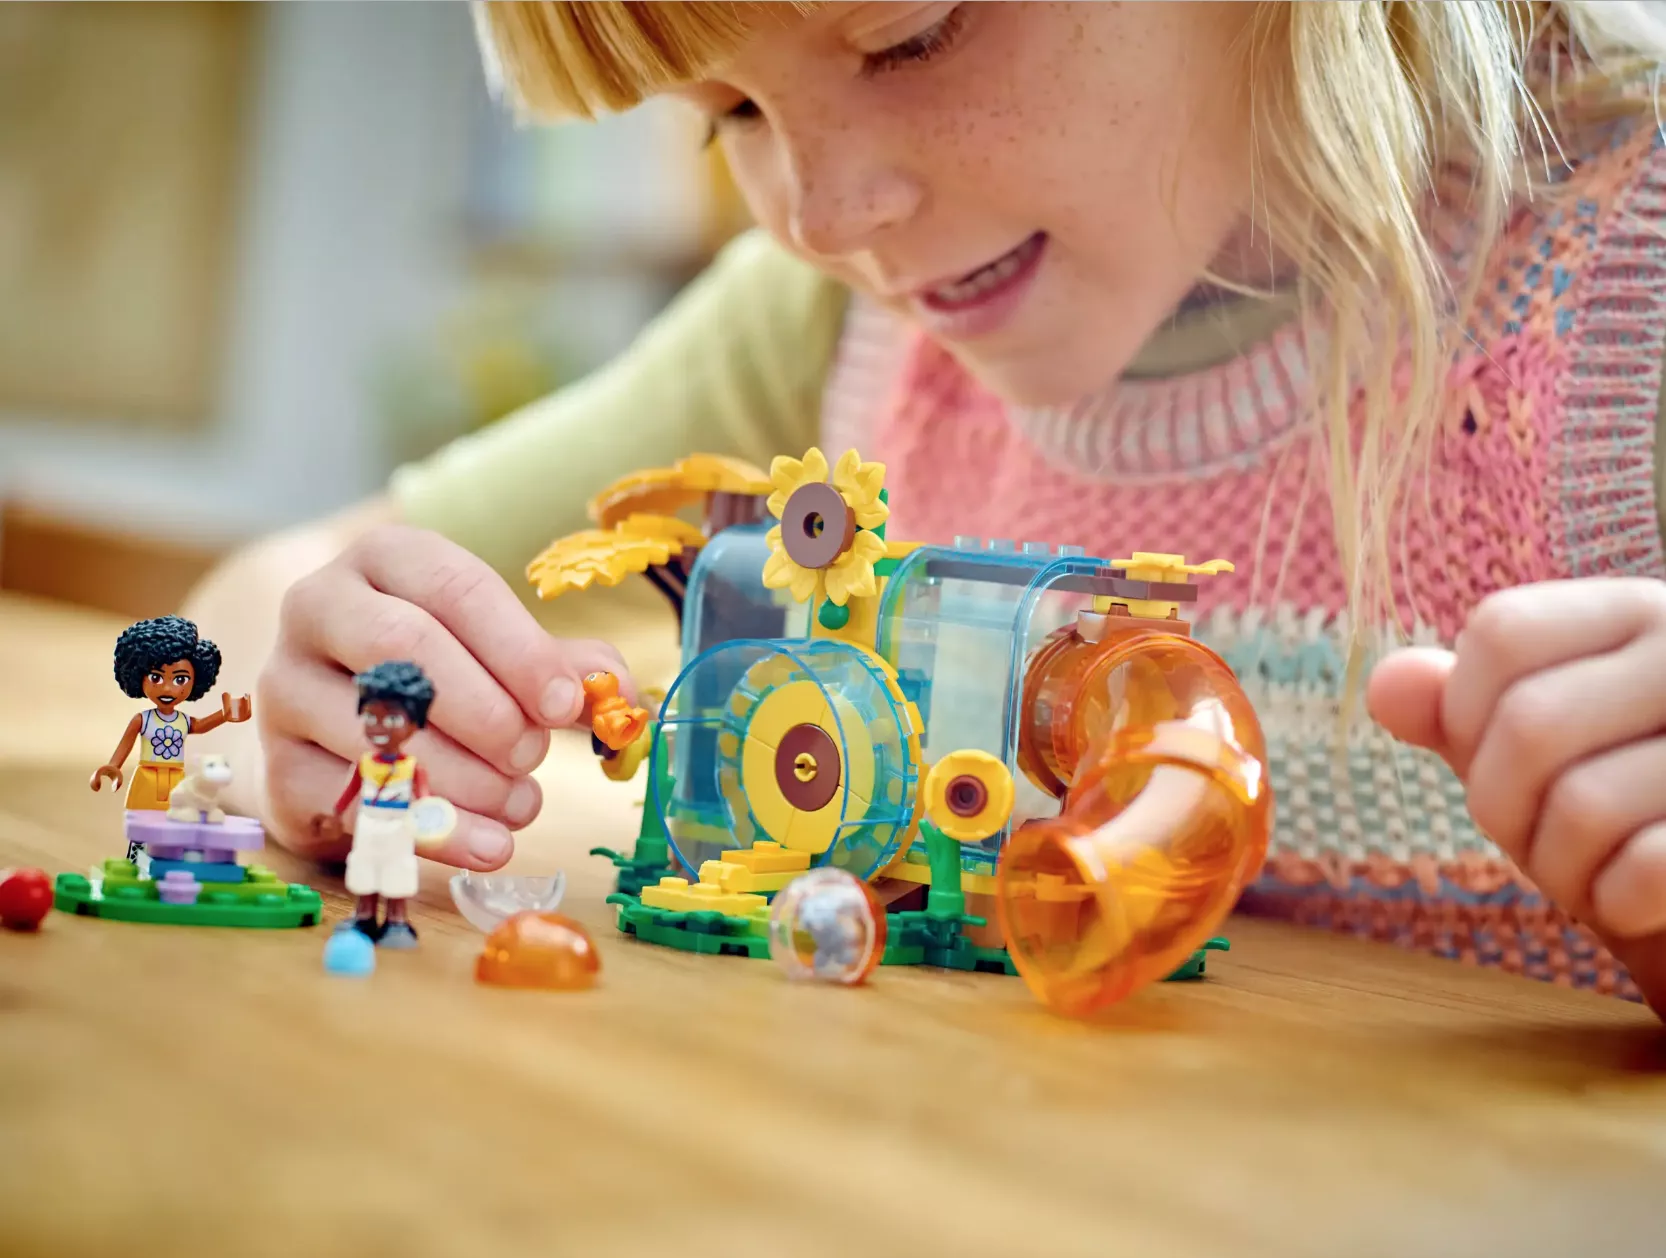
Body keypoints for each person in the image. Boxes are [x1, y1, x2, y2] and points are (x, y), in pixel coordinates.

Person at [184, 2, 1666, 1015]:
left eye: (909, 34)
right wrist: (321, 710)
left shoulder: (1627, 302)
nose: (822, 215)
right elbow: (261, 593)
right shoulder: (832, 325)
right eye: (729, 112)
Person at [91, 616, 253, 857]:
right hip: (147, 779)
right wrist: (113, 766)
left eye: (180, 679)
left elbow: (201, 725)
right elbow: (126, 744)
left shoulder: (183, 721)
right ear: (138, 676)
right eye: (156, 678)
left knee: (177, 823)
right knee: (142, 825)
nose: (168, 689)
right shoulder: (142, 719)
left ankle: (166, 861)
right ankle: (136, 861)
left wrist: (225, 715)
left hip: (176, 780)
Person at [311, 660, 447, 948]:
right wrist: (335, 815)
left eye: (394, 719)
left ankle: (397, 920)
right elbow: (349, 792)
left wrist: (431, 820)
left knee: (397, 869)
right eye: (371, 716)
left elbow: (424, 799)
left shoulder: (412, 768)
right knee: (365, 866)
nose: (380, 727)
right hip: (368, 823)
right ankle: (364, 916)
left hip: (398, 826)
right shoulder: (365, 763)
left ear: (415, 723)